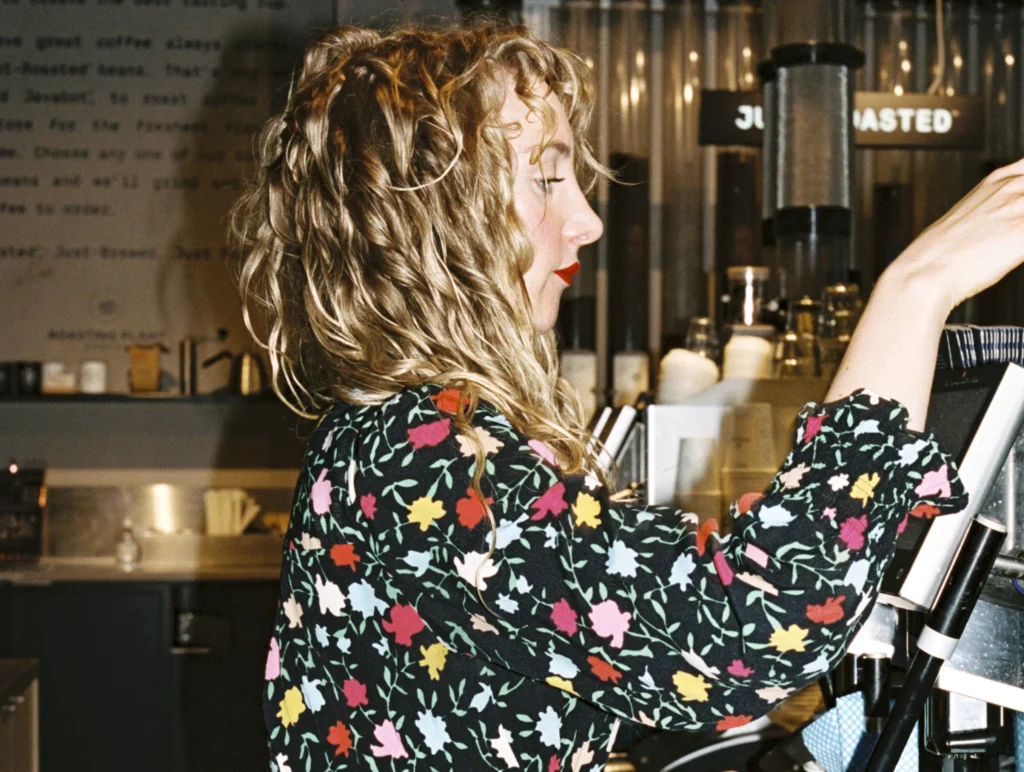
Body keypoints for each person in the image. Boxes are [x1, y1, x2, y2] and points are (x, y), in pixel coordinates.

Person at [231, 21, 1024, 772]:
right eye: (546, 177)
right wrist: (918, 288)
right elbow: (755, 625)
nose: (587, 221)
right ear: (429, 220)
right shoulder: (429, 459)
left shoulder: (399, 431)